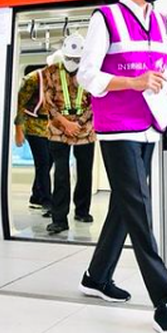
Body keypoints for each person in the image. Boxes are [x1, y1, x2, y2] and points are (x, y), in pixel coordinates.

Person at [77, 0, 167, 333]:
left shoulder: (160, 21)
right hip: (117, 131)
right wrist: (133, 81)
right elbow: (87, 76)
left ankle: (96, 276)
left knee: (126, 207)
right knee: (140, 210)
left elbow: (165, 69)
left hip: (150, 126)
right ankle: (165, 302)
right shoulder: (104, 18)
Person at [42, 34, 96, 234]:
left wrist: (78, 123)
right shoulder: (51, 72)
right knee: (61, 174)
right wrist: (65, 123)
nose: (73, 62)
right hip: (58, 129)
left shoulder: (90, 73)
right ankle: (59, 219)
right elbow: (48, 103)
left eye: (77, 59)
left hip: (85, 129)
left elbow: (95, 102)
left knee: (84, 173)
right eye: (70, 58)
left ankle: (82, 210)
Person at [14, 60, 55, 213]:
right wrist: (18, 129)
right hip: (32, 123)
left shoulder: (58, 80)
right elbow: (20, 105)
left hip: (49, 125)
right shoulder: (32, 79)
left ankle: (36, 196)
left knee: (49, 161)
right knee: (43, 162)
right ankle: (47, 201)